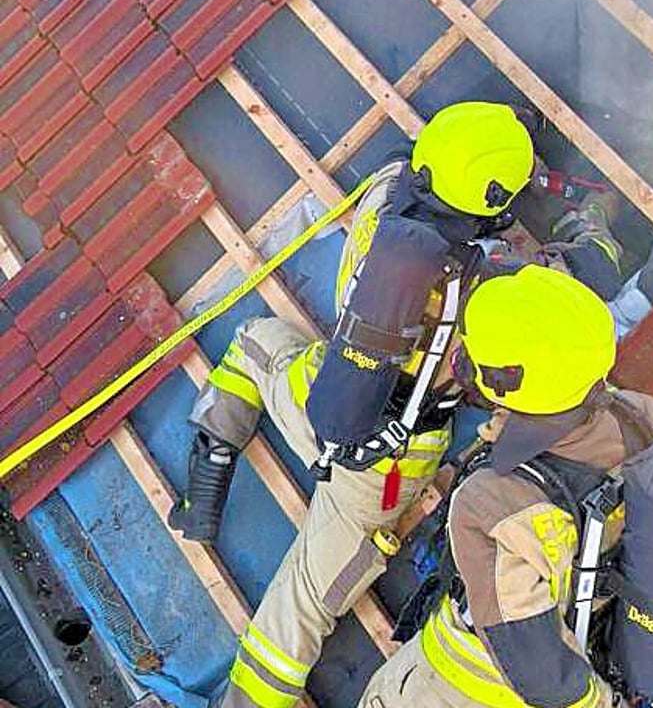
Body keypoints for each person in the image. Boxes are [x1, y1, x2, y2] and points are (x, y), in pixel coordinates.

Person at [166, 101, 623, 708]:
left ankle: (209, 467)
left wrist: (500, 140)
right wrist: (594, 218)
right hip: (386, 466)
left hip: (323, 392)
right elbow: (587, 275)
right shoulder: (487, 283)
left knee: (257, 341)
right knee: (299, 606)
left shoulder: (386, 188)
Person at [357, 264, 653, 708]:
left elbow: (535, 665)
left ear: (507, 382)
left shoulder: (493, 504)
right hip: (594, 654)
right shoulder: (649, 420)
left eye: (474, 363)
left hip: (454, 689)